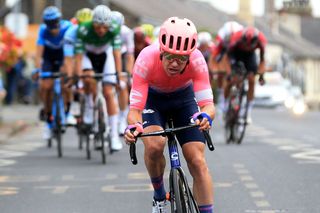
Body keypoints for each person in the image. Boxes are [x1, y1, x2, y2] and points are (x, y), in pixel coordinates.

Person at [124, 17, 215, 213]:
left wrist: (205, 117)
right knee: (155, 145)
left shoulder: (198, 60)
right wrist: (134, 127)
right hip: (154, 101)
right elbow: (135, 112)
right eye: (170, 57)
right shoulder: (145, 58)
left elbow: (208, 106)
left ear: (189, 57)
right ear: (161, 52)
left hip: (184, 100)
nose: (175, 63)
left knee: (197, 161)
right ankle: (159, 195)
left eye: (182, 59)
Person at [74, 5, 123, 151]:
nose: (101, 30)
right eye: (98, 27)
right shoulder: (83, 29)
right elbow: (78, 57)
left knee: (109, 93)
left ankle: (114, 136)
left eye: (104, 27)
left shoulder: (114, 28)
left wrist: (118, 76)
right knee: (88, 78)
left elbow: (116, 54)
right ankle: (89, 109)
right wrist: (79, 78)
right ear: (92, 23)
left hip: (105, 56)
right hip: (88, 57)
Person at [35, 6, 72, 139]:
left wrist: (69, 72)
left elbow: (71, 53)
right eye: (49, 24)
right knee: (45, 86)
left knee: (66, 82)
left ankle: (68, 111)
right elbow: (38, 54)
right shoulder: (43, 30)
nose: (53, 28)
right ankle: (48, 116)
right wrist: (37, 70)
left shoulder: (67, 27)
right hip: (49, 59)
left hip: (64, 58)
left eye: (54, 23)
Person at [224, 26, 267, 123]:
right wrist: (229, 73)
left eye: (250, 45)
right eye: (245, 44)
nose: (247, 47)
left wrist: (261, 75)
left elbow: (262, 60)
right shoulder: (236, 38)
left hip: (250, 56)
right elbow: (227, 58)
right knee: (233, 79)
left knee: (252, 80)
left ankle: (247, 112)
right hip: (237, 54)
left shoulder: (261, 40)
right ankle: (226, 104)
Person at [209, 21, 243, 112]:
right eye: (229, 38)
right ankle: (222, 97)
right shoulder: (221, 36)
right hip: (224, 50)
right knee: (222, 69)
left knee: (239, 71)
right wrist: (215, 69)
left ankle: (239, 94)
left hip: (236, 51)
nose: (231, 40)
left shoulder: (240, 34)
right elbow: (214, 54)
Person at [112, 11, 135, 135]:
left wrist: (129, 74)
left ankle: (122, 117)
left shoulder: (126, 32)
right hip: (108, 54)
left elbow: (130, 55)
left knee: (122, 84)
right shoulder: (106, 30)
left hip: (122, 55)